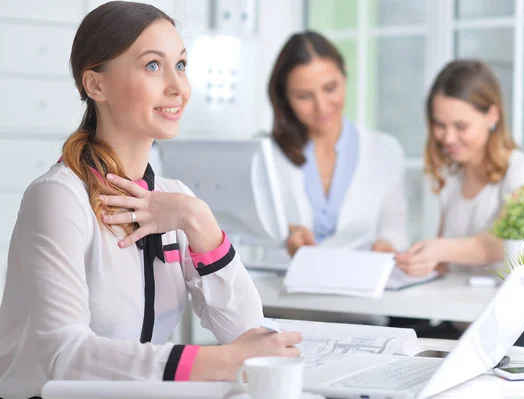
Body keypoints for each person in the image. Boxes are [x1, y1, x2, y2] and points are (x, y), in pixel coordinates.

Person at [0, 2, 301, 397]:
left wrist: (198, 219)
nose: (178, 87)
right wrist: (216, 362)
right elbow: (65, 356)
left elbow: (246, 333)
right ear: (96, 85)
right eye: (153, 66)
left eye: (180, 64)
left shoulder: (176, 199)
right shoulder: (59, 198)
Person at [396, 59, 524, 278]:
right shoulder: (452, 178)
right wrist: (413, 260)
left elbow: (502, 243)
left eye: (461, 126)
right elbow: (443, 265)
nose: (448, 138)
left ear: (492, 116)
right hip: (454, 310)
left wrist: (440, 248)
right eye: (440, 125)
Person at [268, 31, 409, 257]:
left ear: (345, 75)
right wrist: (287, 234)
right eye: (304, 96)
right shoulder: (267, 156)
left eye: (330, 88)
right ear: (285, 97)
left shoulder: (385, 150)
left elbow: (395, 232)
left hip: (361, 283)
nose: (321, 106)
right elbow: (248, 234)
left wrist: (386, 247)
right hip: (283, 286)